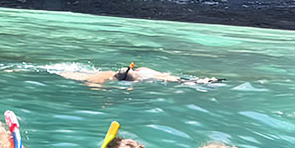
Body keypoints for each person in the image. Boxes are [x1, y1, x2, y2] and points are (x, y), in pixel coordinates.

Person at [57, 62, 221, 85]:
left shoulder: (104, 76)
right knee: (172, 79)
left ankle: (201, 81)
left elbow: (92, 83)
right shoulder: (143, 72)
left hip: (131, 76)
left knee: (173, 79)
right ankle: (202, 81)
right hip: (136, 74)